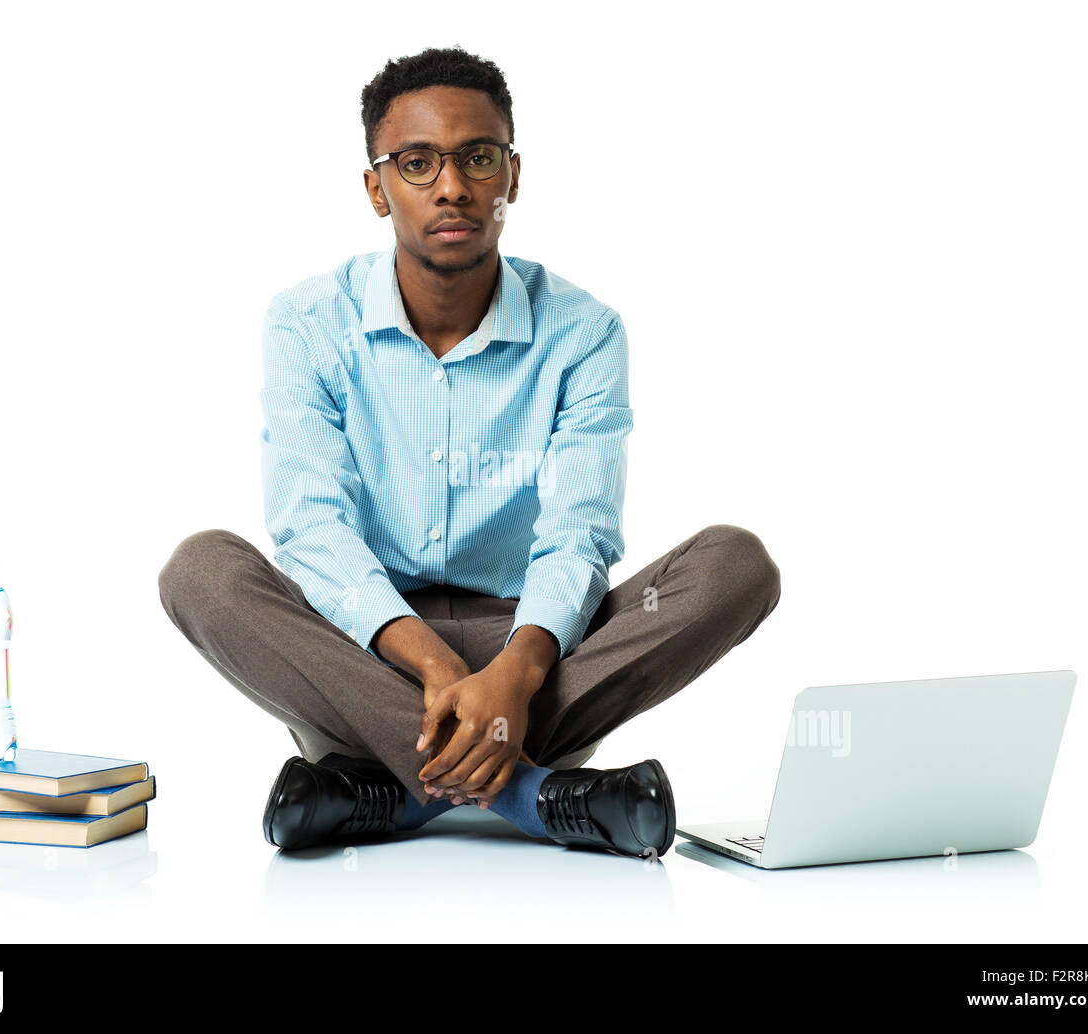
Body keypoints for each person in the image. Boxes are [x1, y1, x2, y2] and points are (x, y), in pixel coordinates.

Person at [158, 46, 781, 860]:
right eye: (416, 163)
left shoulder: (585, 332)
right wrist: (433, 666)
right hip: (366, 652)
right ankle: (537, 795)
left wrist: (512, 677)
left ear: (513, 175)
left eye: (477, 158)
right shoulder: (306, 322)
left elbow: (578, 534)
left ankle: (380, 792)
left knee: (736, 566)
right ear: (376, 189)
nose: (451, 188)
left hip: (534, 652)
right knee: (201, 571)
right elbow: (310, 528)